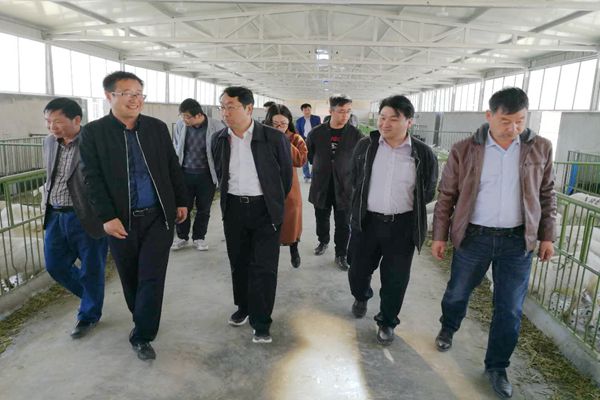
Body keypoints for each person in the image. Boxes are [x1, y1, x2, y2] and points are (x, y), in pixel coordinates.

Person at [431, 87, 556, 398]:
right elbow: (447, 196)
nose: (513, 128)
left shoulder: (540, 148)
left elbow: (547, 194)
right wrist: (439, 235)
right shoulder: (464, 149)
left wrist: (547, 235)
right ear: (489, 116)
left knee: (510, 308)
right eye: (505, 121)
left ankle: (497, 366)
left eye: (520, 121)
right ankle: (449, 326)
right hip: (475, 236)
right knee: (458, 291)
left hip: (517, 241)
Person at [80, 71, 188, 361]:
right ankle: (142, 315)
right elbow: (91, 179)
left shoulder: (156, 128)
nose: (135, 99)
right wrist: (107, 217)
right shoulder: (94, 133)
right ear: (109, 96)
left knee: (152, 276)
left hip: (158, 217)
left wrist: (181, 201)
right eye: (127, 93)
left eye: (139, 93)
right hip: (121, 221)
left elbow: (172, 165)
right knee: (130, 277)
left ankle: (143, 334)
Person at [348, 95, 438, 345]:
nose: (385, 124)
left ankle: (387, 321)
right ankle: (361, 295)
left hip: (402, 226)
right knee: (357, 270)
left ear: (409, 121)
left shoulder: (422, 153)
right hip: (367, 221)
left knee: (395, 278)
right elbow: (355, 178)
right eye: (382, 117)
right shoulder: (366, 146)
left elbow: (428, 190)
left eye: (393, 119)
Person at [212, 86, 292, 344]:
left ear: (248, 108)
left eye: (230, 107)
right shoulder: (219, 138)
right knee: (239, 261)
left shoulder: (273, 138)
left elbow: (285, 178)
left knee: (264, 267)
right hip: (234, 208)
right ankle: (244, 307)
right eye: (222, 107)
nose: (225, 112)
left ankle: (261, 321)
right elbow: (220, 173)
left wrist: (273, 204)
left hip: (264, 209)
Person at [42, 98, 108, 339]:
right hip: (55, 214)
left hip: (87, 216)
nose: (52, 127)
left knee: (92, 267)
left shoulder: (94, 142)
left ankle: (88, 315)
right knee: (55, 265)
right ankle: (93, 296)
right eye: (48, 121)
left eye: (57, 122)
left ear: (77, 120)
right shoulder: (49, 142)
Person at [306, 94, 362, 271]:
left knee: (343, 223)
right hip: (321, 184)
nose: (345, 115)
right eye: (341, 111)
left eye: (348, 111)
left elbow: (360, 160)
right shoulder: (316, 133)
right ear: (331, 111)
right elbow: (310, 155)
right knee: (321, 218)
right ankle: (323, 241)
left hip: (345, 186)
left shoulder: (355, 135)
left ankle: (341, 253)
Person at [171, 98, 225, 251]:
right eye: (182, 116)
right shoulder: (181, 125)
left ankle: (199, 238)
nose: (184, 119)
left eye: (187, 116)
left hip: (206, 176)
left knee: (203, 208)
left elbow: (221, 152)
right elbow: (176, 146)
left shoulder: (217, 126)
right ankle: (182, 237)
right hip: (184, 174)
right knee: (183, 207)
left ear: (199, 115)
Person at [265, 104, 307, 268]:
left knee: (292, 217)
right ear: (269, 122)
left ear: (289, 122)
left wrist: (283, 140)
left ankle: (294, 248)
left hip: (289, 185)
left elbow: (300, 160)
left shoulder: (295, 139)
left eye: (283, 123)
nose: (280, 127)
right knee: (269, 219)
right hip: (267, 184)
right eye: (275, 124)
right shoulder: (262, 137)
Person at [295, 103, 321, 182]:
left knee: (315, 159)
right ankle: (307, 176)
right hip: (304, 141)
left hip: (314, 141)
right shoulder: (299, 121)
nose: (307, 111)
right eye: (305, 110)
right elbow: (298, 132)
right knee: (305, 159)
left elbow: (319, 130)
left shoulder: (316, 118)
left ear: (311, 110)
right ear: (302, 111)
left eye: (308, 109)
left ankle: (313, 175)